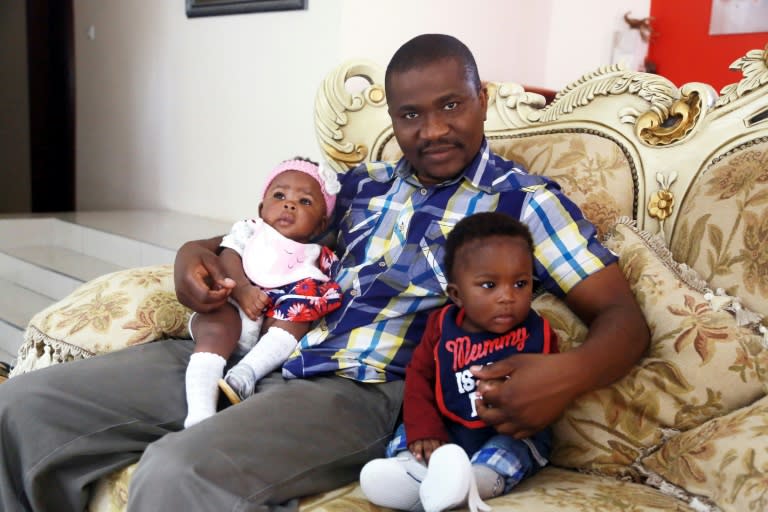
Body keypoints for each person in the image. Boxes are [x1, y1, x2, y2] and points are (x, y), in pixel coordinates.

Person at [0, 33, 649, 511]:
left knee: (178, 473)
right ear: (393, 119)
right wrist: (190, 252)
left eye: (452, 105)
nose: (434, 130)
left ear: (482, 100)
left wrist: (568, 372)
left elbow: (621, 316)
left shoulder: (525, 203)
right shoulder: (359, 189)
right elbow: (264, 234)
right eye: (411, 115)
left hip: (362, 389)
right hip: (255, 347)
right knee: (20, 407)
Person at [360, 212, 558, 512]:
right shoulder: (441, 327)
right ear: (457, 294)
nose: (508, 297)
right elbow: (419, 377)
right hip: (449, 425)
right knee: (413, 436)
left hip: (507, 431)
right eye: (489, 285)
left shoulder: (538, 333)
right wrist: (424, 429)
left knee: (509, 452)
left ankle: (468, 485)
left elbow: (549, 389)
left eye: (520, 283)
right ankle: (409, 473)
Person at [183, 157, 343, 427]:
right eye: (279, 195)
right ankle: (199, 412)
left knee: (298, 316)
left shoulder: (315, 256)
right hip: (233, 306)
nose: (289, 204)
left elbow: (316, 294)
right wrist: (243, 290)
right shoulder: (250, 231)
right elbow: (227, 257)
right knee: (217, 324)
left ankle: (247, 373)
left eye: (305, 202)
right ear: (261, 207)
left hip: (270, 327)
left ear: (319, 226)